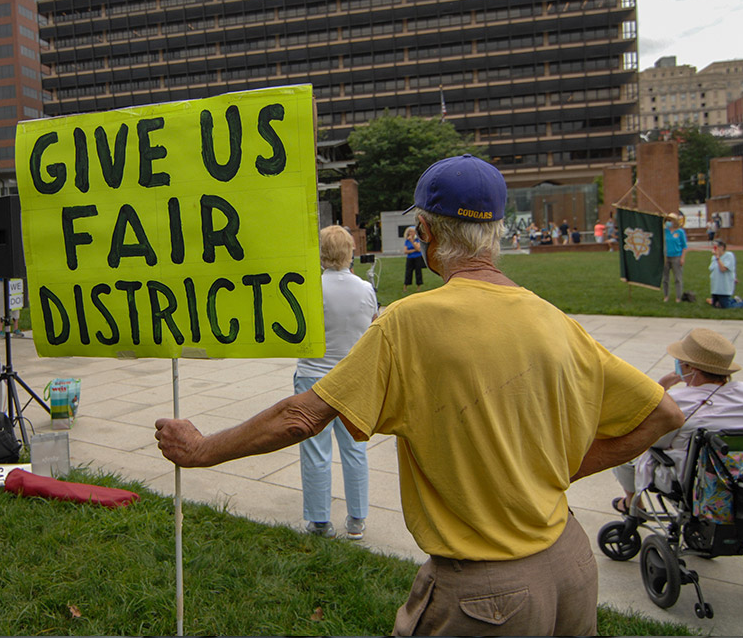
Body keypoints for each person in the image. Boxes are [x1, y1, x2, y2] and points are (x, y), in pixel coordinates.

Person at [155, 154, 683, 636]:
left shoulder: (409, 323)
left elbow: (301, 417)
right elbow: (663, 412)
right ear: (497, 233)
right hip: (570, 564)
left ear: (424, 231)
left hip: (486, 595)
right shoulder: (555, 320)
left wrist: (202, 450)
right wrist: (563, 469)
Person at [611, 328, 743, 513]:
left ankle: (632, 505)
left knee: (625, 450)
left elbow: (651, 438)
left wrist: (660, 389)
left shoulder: (679, 401)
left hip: (697, 480)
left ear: (689, 368)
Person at [296, 226, 377, 539]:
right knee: (355, 448)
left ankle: (319, 520)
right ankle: (357, 517)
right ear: (350, 252)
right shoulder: (365, 289)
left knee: (316, 449)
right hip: (352, 376)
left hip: (313, 374)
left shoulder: (310, 288)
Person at [706, 239, 743, 309]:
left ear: (722, 247)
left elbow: (723, 269)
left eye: (716, 247)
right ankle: (735, 300)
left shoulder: (729, 256)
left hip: (724, 287)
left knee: (726, 306)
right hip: (715, 287)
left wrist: (717, 258)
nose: (714, 250)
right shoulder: (713, 258)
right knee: (716, 305)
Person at [661, 212, 688, 302]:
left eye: (670, 220)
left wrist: (682, 258)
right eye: (667, 220)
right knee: (665, 278)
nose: (668, 222)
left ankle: (678, 297)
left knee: (677, 278)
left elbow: (684, 246)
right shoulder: (665, 231)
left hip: (676, 257)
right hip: (666, 257)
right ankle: (666, 296)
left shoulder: (680, 232)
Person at [401, 226, 423, 295]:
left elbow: (419, 249)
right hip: (410, 258)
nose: (411, 233)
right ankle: (405, 287)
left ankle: (418, 287)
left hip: (417, 257)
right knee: (408, 272)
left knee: (418, 271)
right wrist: (414, 250)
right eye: (410, 232)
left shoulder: (417, 240)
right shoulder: (407, 241)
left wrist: (412, 241)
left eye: (412, 232)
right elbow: (405, 251)